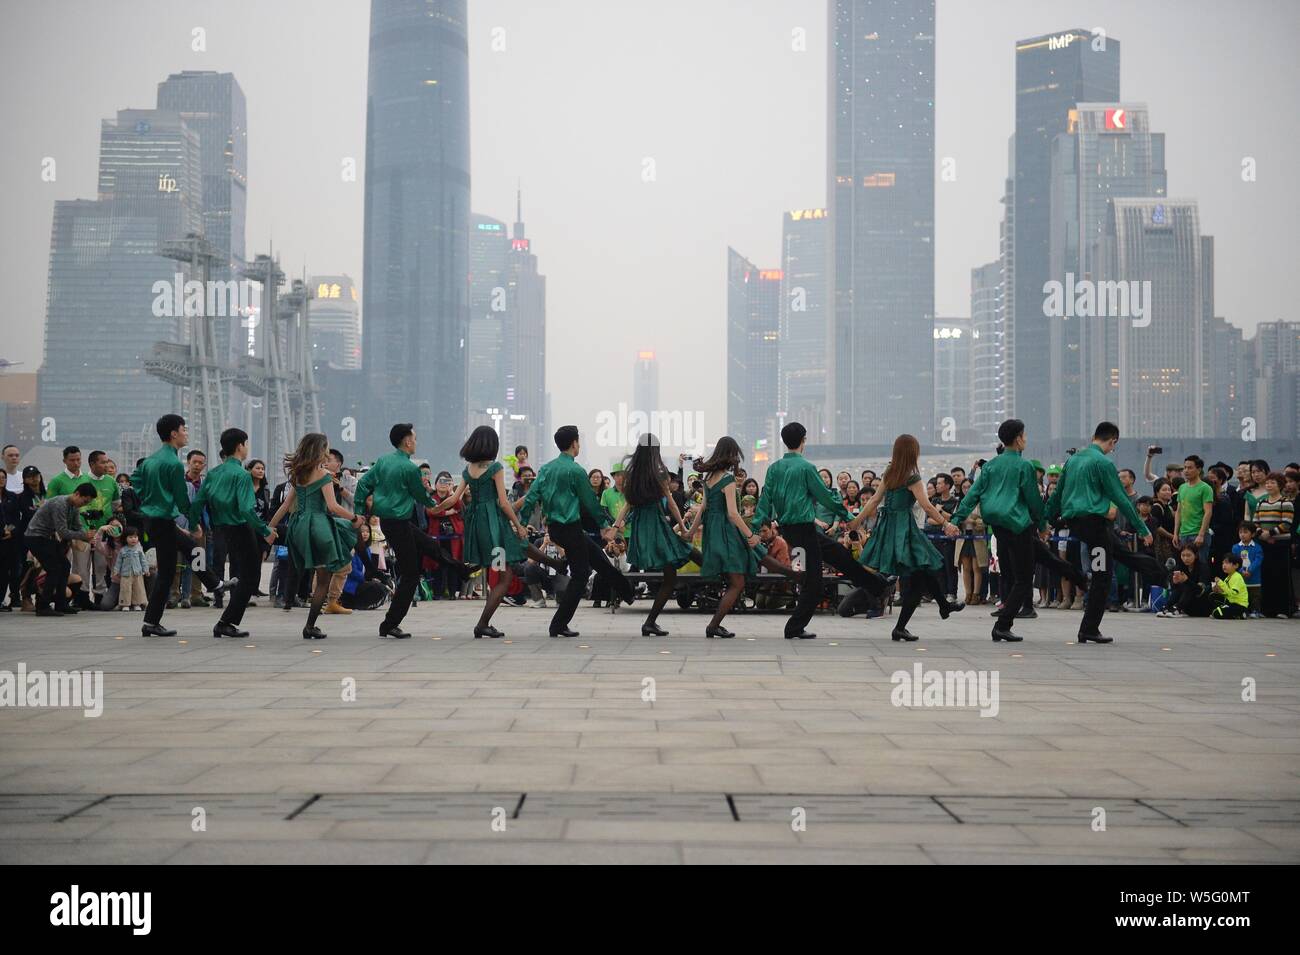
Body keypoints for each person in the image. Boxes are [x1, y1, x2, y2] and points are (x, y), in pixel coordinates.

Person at [751, 422, 888, 639]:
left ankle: (878, 584)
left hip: (789, 529)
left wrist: (755, 529)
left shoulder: (774, 469)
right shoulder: (806, 468)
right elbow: (826, 497)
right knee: (813, 583)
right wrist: (849, 517)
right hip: (804, 529)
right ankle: (794, 627)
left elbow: (764, 501)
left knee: (839, 554)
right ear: (803, 440)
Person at [426, 426, 556, 638]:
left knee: (507, 561)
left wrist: (435, 508)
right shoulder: (495, 467)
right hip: (495, 527)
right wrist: (519, 525)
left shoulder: (469, 469)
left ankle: (556, 564)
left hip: (478, 527)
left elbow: (454, 498)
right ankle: (483, 624)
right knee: (504, 576)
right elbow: (504, 504)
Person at [514, 425, 634, 638]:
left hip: (558, 530)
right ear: (574, 444)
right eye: (578, 441)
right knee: (580, 575)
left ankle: (627, 591)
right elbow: (590, 502)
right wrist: (605, 525)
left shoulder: (546, 469)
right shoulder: (576, 471)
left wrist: (522, 523)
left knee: (597, 558)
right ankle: (558, 624)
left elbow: (531, 498)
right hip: (570, 528)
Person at [1045, 422, 1156, 644]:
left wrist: (1044, 521)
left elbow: (1056, 496)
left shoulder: (1073, 459)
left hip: (1076, 523)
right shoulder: (1104, 462)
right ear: (1113, 441)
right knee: (1102, 576)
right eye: (1114, 446)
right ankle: (1089, 628)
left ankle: (1160, 574)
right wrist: (1142, 528)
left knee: (1119, 554)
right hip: (1095, 525)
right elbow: (1121, 498)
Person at [850, 434, 963, 642]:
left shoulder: (889, 472)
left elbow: (875, 500)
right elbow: (927, 505)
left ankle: (941, 607)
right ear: (912, 452)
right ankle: (933, 611)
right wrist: (946, 524)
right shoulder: (912, 476)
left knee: (923, 572)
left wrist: (856, 521)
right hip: (905, 529)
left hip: (888, 528)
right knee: (923, 572)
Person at [131, 414, 234, 637]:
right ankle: (151, 622)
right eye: (184, 429)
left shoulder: (150, 461)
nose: (186, 433)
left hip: (154, 519)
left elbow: (135, 481)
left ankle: (215, 584)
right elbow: (181, 498)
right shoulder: (173, 464)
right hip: (162, 520)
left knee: (190, 549)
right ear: (173, 433)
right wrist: (194, 522)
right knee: (168, 572)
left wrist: (149, 499)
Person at [354, 423, 460, 639]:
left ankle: (461, 569)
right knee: (411, 574)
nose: (416, 442)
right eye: (415, 438)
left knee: (430, 545)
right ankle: (390, 624)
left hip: (392, 522)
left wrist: (359, 512)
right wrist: (436, 503)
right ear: (407, 441)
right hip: (398, 524)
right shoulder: (410, 468)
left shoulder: (383, 461)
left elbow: (363, 484)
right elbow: (421, 496)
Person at [951, 419, 1048, 642]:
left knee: (1009, 572)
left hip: (996, 525)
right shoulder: (1025, 466)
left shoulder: (991, 465)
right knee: (1024, 578)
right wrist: (1042, 526)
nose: (1025, 439)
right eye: (1024, 435)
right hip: (1018, 524)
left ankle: (1004, 621)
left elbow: (972, 494)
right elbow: (1033, 501)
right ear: (1017, 439)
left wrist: (956, 519)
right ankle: (1003, 625)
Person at [692, 436, 799, 638]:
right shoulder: (727, 479)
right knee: (738, 582)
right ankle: (714, 625)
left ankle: (794, 575)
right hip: (727, 531)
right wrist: (750, 534)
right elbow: (733, 513)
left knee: (750, 565)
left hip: (713, 533)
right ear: (731, 455)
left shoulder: (708, 479)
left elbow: (703, 509)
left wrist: (690, 531)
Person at [268, 433, 361, 640]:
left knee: (307, 570)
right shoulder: (324, 475)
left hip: (298, 524)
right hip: (318, 525)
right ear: (321, 450)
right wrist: (355, 518)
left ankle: (300, 608)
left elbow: (285, 505)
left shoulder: (298, 473)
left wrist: (269, 528)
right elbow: (333, 506)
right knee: (323, 580)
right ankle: (310, 625)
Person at [188, 428, 278, 639]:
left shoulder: (213, 473)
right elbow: (247, 509)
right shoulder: (242, 475)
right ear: (240, 446)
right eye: (245, 444)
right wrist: (265, 530)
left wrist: (193, 525)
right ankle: (226, 622)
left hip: (220, 528)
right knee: (251, 576)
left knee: (228, 566)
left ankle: (225, 615)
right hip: (241, 528)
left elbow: (198, 502)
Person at [611, 434, 700, 637]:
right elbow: (671, 503)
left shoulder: (633, 474)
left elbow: (627, 504)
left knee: (674, 570)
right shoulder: (659, 473)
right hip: (657, 526)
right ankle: (725, 576)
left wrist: (616, 527)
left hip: (642, 529)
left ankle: (650, 622)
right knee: (680, 561)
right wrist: (683, 528)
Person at [23, 482, 98, 616]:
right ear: (77, 494)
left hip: (45, 538)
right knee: (54, 568)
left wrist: (86, 536)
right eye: (84, 501)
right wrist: (83, 535)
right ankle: (43, 606)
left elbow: (77, 526)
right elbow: (63, 532)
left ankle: (61, 604)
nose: (84, 504)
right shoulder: (60, 504)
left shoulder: (74, 506)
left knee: (64, 565)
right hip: (35, 537)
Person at [1251, 472, 1294, 618]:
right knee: (1266, 574)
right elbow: (1255, 522)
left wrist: (1270, 533)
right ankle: (1267, 609)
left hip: (1280, 543)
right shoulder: (1261, 503)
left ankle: (1283, 609)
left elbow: (1287, 523)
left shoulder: (1285, 502)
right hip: (1264, 543)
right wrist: (1261, 533)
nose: (1269, 485)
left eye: (1273, 483)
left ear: (1280, 485)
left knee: (1280, 575)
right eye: (1267, 483)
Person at [1233, 521, 1264, 618]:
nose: (1242, 534)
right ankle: (1244, 611)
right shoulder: (1236, 547)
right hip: (1241, 578)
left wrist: (1250, 570)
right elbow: (1235, 562)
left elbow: (1258, 561)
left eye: (1245, 532)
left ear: (1253, 534)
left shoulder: (1257, 548)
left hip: (1254, 578)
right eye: (1240, 532)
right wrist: (1242, 571)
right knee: (1243, 596)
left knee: (1255, 595)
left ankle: (1255, 611)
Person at [114, 527, 148, 611]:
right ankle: (125, 604)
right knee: (125, 588)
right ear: (125, 538)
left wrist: (146, 570)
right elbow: (118, 562)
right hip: (126, 573)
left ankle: (137, 604)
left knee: (138, 588)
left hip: (137, 573)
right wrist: (116, 571)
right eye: (130, 537)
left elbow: (143, 560)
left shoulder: (139, 549)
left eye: (135, 537)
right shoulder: (123, 550)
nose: (133, 539)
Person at [1210, 552, 1249, 620]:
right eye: (1223, 563)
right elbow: (1226, 593)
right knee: (1212, 595)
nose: (1224, 565)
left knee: (1217, 613)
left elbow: (1232, 593)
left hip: (1239, 605)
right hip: (1231, 602)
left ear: (1236, 565)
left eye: (1227, 563)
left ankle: (1241, 613)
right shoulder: (1227, 578)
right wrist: (1218, 590)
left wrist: (1220, 583)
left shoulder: (1237, 577)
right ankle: (1235, 614)